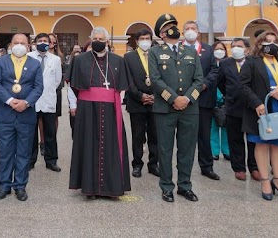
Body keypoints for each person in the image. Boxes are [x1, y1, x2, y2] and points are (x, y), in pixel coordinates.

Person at [68, 27, 131, 199]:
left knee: (111, 145)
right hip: (87, 110)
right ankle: (90, 188)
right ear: (90, 39)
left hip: (111, 110)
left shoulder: (118, 60)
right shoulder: (80, 60)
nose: (97, 41)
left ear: (107, 41)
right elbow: (74, 86)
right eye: (94, 38)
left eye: (101, 39)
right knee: (88, 145)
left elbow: (122, 87)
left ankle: (113, 188)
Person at [150, 14, 204, 203]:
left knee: (187, 149)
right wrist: (174, 99)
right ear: (162, 34)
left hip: (189, 109)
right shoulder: (155, 52)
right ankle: (166, 187)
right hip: (165, 109)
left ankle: (185, 186)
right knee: (165, 149)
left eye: (174, 25)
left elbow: (199, 80)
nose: (173, 29)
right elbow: (156, 81)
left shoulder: (191, 52)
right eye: (168, 27)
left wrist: (187, 99)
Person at [240, 31, 278, 201]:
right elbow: (243, 85)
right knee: (261, 144)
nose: (270, 44)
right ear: (259, 44)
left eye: (274, 42)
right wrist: (256, 103)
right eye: (267, 41)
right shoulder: (252, 61)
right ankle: (265, 181)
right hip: (260, 109)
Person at [0, 33, 44, 201]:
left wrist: (26, 102)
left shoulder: (35, 64)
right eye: (16, 42)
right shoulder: (1, 62)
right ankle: (4, 185)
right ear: (10, 45)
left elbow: (38, 87)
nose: (19, 45)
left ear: (29, 46)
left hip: (26, 115)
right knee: (5, 152)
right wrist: (10, 100)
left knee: (23, 152)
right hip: (6, 115)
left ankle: (20, 186)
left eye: (23, 43)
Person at [217, 38, 260, 181]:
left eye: (239, 46)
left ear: (247, 49)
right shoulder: (225, 63)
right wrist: (230, 95)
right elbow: (221, 83)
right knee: (235, 139)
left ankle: (254, 167)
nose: (235, 48)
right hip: (233, 106)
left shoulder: (254, 62)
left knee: (253, 139)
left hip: (251, 107)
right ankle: (239, 168)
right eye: (233, 46)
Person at [181, 20, 219, 180]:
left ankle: (207, 166)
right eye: (187, 28)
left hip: (203, 98)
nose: (190, 31)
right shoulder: (177, 49)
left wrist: (203, 85)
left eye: (193, 28)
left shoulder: (208, 50)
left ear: (198, 32)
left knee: (204, 135)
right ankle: (182, 167)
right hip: (182, 99)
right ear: (183, 32)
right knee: (183, 136)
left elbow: (214, 70)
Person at [124, 28, 159, 178]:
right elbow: (128, 80)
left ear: (151, 40)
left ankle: (153, 164)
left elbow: (163, 77)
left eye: (148, 38)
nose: (145, 41)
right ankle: (137, 164)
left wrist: (156, 96)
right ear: (137, 41)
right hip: (137, 102)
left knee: (155, 136)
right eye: (142, 38)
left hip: (156, 102)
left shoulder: (157, 55)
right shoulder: (128, 57)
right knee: (137, 136)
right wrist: (140, 96)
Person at [28, 33, 63, 172]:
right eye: (40, 41)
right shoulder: (29, 57)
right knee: (31, 133)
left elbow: (57, 80)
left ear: (50, 44)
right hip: (32, 101)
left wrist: (46, 90)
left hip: (48, 99)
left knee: (50, 132)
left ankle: (51, 160)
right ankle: (31, 160)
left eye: (45, 41)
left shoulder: (55, 59)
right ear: (35, 43)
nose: (43, 43)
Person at [210, 41, 230, 161]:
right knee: (213, 127)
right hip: (213, 100)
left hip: (227, 100)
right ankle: (214, 151)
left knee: (226, 127)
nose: (219, 51)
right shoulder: (209, 65)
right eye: (217, 49)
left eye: (222, 49)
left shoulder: (229, 64)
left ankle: (227, 151)